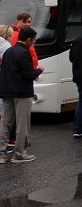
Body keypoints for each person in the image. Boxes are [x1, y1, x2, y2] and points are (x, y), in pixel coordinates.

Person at [0, 27, 44, 163]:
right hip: (22, 92)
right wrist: (38, 71)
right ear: (28, 39)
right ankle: (19, 153)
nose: (33, 43)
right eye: (33, 40)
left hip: (7, 91)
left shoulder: (9, 51)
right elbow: (28, 74)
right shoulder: (24, 53)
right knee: (22, 123)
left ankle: (1, 152)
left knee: (5, 122)